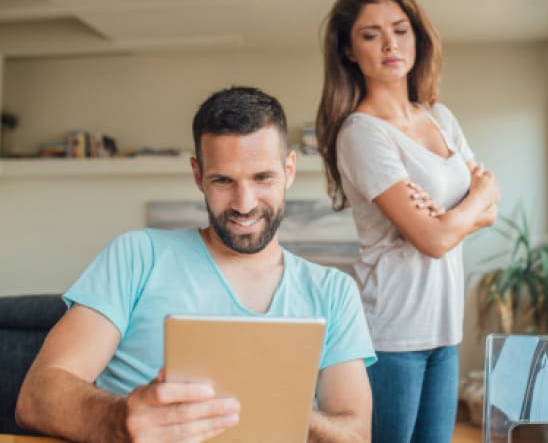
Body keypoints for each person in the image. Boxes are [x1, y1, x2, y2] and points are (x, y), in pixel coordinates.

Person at [16, 86, 375, 443]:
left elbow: (355, 435)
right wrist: (118, 421)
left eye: (262, 177)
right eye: (223, 180)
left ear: (289, 170)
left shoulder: (333, 291)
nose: (244, 203)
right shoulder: (137, 256)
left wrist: (280, 410)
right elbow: (36, 397)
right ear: (198, 175)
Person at [315, 0, 500, 443]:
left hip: (444, 329)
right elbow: (434, 241)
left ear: (417, 35)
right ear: (349, 52)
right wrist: (461, 209)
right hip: (391, 333)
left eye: (400, 29)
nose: (390, 44)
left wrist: (455, 212)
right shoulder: (361, 132)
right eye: (370, 34)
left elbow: (491, 203)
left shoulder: (440, 117)